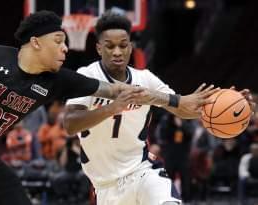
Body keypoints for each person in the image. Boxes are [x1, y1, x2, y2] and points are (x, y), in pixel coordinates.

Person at [0, 10, 150, 205]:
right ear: (36, 42)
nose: (65, 48)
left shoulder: (55, 81)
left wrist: (170, 99)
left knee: (16, 196)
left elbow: (113, 89)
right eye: (58, 41)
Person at [64, 11, 255, 205]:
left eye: (123, 45)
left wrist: (229, 104)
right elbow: (70, 124)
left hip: (142, 172)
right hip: (105, 186)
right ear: (98, 48)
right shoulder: (86, 76)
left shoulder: (145, 78)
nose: (117, 52)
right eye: (110, 46)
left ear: (130, 47)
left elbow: (182, 107)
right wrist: (111, 108)